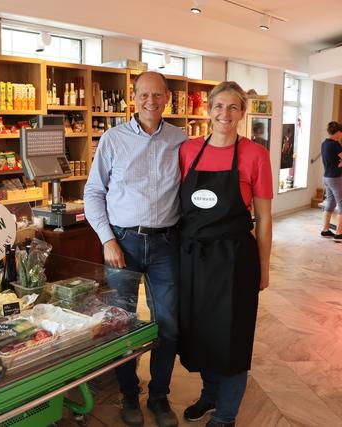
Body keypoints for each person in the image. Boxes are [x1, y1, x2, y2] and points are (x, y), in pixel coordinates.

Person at [84, 71, 186, 427]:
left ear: (167, 97)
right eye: (144, 94)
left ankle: (160, 396)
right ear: (134, 96)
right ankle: (129, 393)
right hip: (123, 242)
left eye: (158, 95)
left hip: (166, 243)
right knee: (121, 324)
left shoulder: (181, 139)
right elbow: (94, 192)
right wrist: (107, 239)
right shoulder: (113, 139)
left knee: (169, 324)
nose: (151, 101)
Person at [177, 81, 273, 427]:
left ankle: (227, 412)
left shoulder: (255, 154)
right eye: (219, 106)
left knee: (232, 335)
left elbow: (263, 217)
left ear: (243, 114)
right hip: (194, 258)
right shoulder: (188, 151)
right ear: (208, 109)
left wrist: (264, 269)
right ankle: (210, 394)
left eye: (233, 108)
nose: (225, 114)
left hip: (235, 260)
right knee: (201, 331)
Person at [320, 121, 342, 239]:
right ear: (337, 132)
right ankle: (339, 233)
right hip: (335, 177)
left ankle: (325, 230)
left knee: (330, 202)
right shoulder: (335, 145)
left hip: (326, 177)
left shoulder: (325, 144)